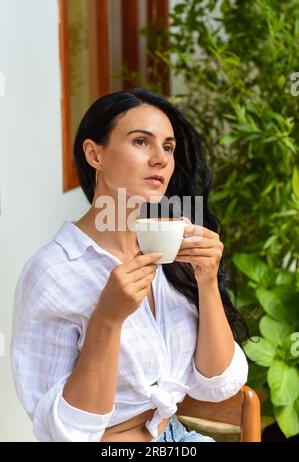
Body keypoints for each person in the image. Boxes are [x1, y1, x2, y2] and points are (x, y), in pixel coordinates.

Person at [11, 88, 249, 442]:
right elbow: (66, 432)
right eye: (141, 142)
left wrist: (207, 280)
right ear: (95, 155)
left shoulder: (170, 251)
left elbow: (217, 383)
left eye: (168, 147)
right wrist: (107, 318)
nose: (161, 159)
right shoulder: (54, 272)